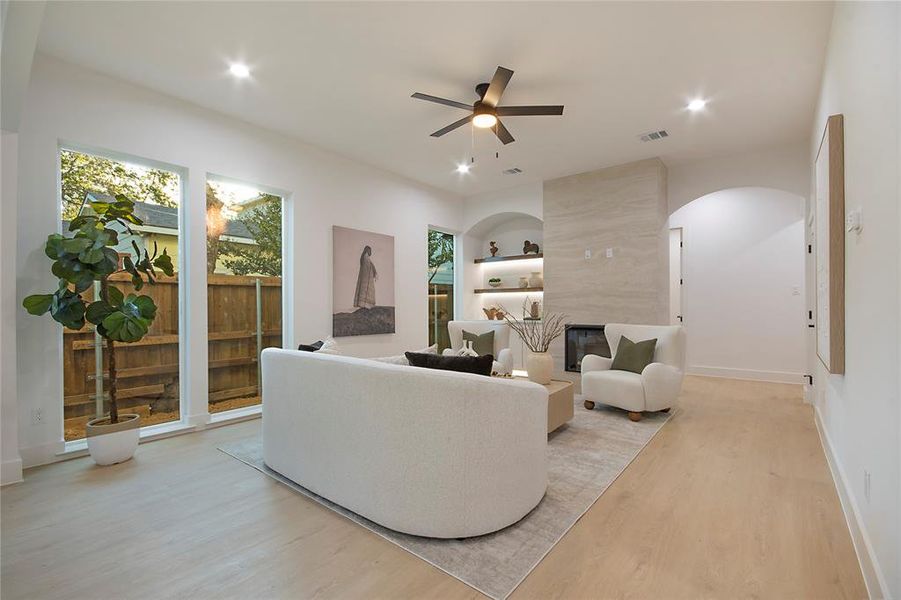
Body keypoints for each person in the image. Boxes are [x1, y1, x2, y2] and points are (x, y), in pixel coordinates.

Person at [353, 245, 378, 309]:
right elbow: (368, 267)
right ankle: (365, 305)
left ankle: (365, 305)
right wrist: (373, 270)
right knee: (365, 290)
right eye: (370, 250)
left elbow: (370, 266)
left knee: (365, 290)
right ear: (367, 250)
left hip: (366, 278)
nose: (371, 252)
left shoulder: (365, 257)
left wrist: (373, 270)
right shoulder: (365, 257)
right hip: (366, 279)